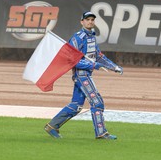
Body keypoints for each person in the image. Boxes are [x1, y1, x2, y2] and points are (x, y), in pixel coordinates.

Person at [44, 11, 123, 140]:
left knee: (76, 105)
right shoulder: (77, 38)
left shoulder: (91, 37)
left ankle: (52, 126)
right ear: (82, 21)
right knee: (97, 102)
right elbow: (72, 60)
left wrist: (113, 66)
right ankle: (101, 133)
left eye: (92, 19)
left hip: (86, 75)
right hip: (82, 76)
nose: (90, 22)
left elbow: (98, 56)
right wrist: (93, 66)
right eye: (87, 19)